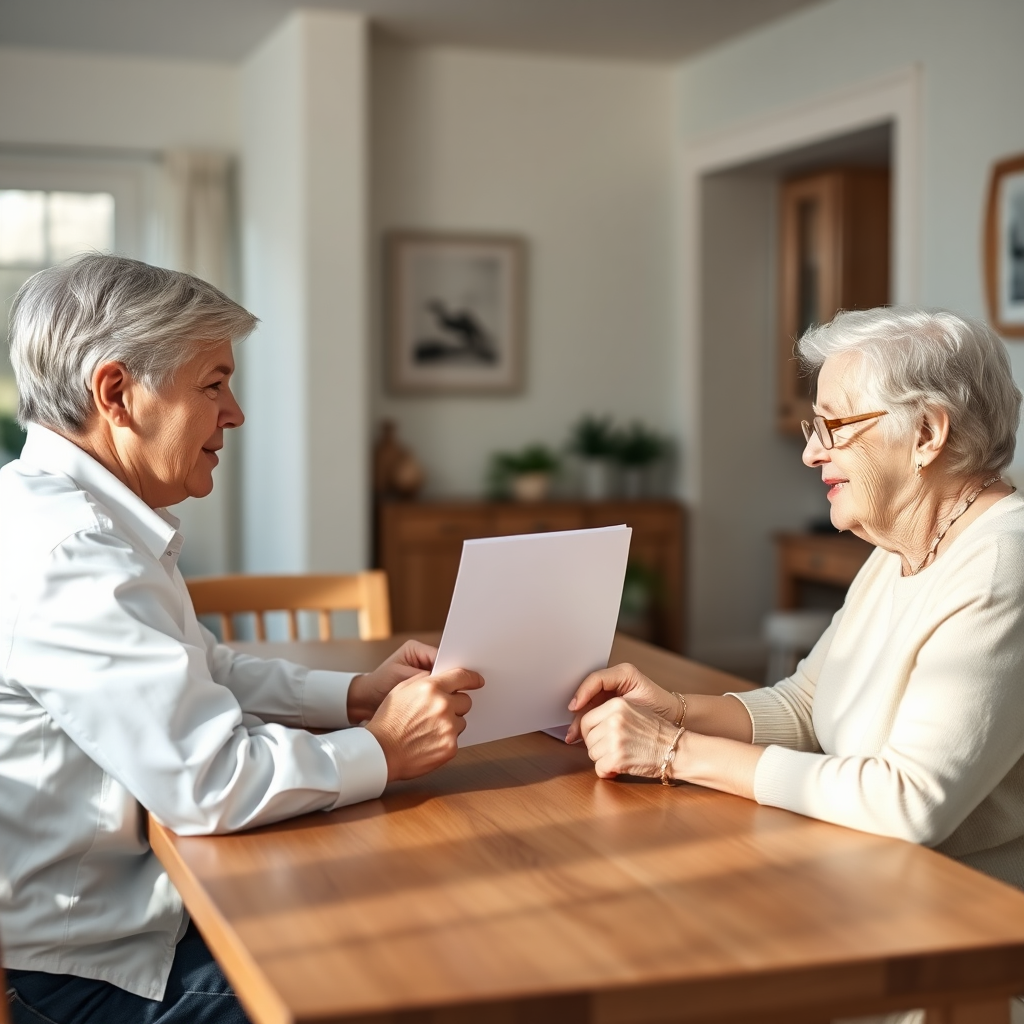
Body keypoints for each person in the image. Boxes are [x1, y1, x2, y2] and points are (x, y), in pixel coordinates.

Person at [0, 254, 483, 1024]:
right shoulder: (73, 555)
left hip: (131, 920)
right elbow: (211, 781)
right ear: (117, 392)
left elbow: (202, 666)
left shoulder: (71, 516)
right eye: (213, 384)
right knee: (420, 982)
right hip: (105, 970)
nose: (236, 413)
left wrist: (355, 695)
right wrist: (384, 749)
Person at [568, 307, 1024, 1023]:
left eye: (833, 428)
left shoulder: (1002, 568)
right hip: (856, 894)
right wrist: (676, 709)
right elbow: (806, 706)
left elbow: (908, 803)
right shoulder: (901, 550)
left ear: (927, 434)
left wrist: (676, 754)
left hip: (948, 951)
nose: (812, 453)